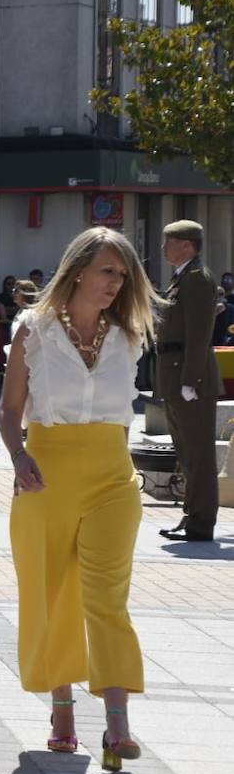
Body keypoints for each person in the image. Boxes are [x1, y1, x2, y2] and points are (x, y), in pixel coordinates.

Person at [0, 227, 158, 770]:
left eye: (124, 274)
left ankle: (118, 725)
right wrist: (18, 456)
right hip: (46, 471)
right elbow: (9, 408)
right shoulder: (33, 330)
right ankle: (62, 708)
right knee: (53, 595)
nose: (117, 283)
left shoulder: (130, 333)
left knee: (106, 597)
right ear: (79, 270)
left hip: (114, 474)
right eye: (108, 272)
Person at [155, 220, 221, 542]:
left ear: (186, 245)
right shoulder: (182, 278)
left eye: (169, 242)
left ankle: (201, 521)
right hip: (176, 374)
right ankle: (193, 514)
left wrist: (191, 379)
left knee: (198, 453)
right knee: (187, 452)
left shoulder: (196, 279)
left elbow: (199, 333)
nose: (164, 249)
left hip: (188, 376)